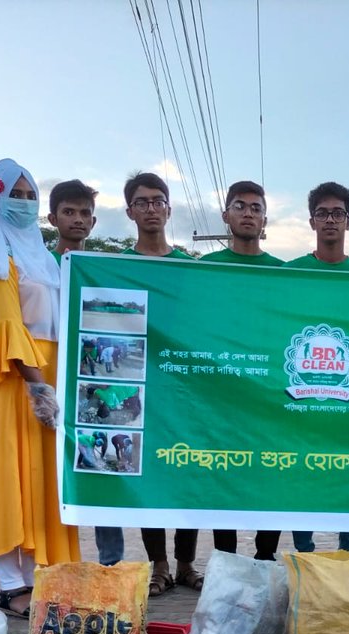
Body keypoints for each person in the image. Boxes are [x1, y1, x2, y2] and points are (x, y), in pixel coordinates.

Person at [0, 159, 80, 616]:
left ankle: (39, 576)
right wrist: (37, 386)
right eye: (16, 195)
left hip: (47, 375)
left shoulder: (44, 257)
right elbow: (9, 323)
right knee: (10, 477)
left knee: (40, 478)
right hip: (13, 377)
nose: (25, 204)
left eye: (31, 196)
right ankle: (12, 584)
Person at [122, 171, 230, 594]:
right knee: (150, 478)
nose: (151, 208)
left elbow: (205, 323)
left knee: (187, 475)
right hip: (138, 389)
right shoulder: (117, 268)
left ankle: (186, 565)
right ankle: (159, 565)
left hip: (186, 390)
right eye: (142, 202)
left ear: (169, 209)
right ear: (130, 211)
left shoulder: (189, 267)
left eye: (158, 201)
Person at [199, 179, 285, 561]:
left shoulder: (284, 273)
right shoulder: (205, 269)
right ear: (226, 215)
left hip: (267, 395)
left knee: (269, 475)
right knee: (224, 476)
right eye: (240, 206)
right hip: (220, 396)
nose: (248, 213)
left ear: (264, 218)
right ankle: (226, 563)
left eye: (255, 207)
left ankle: (265, 559)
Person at [285, 181, 349, 554]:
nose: (331, 220)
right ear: (312, 221)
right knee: (301, 477)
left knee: (348, 478)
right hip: (299, 396)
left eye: (338, 214)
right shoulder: (289, 276)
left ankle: (346, 555)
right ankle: (304, 554)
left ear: (348, 222)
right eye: (323, 213)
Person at [48, 178, 125, 568]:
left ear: (93, 223)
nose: (77, 219)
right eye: (69, 212)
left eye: (84, 214)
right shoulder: (39, 268)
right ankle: (52, 565)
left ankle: (109, 564)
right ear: (52, 217)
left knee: (98, 470)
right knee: (47, 475)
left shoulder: (105, 272)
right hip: (47, 383)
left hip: (93, 390)